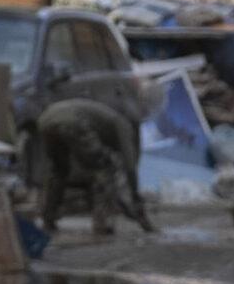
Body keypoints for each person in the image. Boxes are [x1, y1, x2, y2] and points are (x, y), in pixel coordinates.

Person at [34, 97, 155, 237]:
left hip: (46, 120)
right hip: (72, 121)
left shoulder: (106, 118)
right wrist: (136, 199)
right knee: (103, 168)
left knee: (59, 171)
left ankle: (48, 218)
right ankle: (102, 223)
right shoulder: (124, 126)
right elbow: (130, 167)